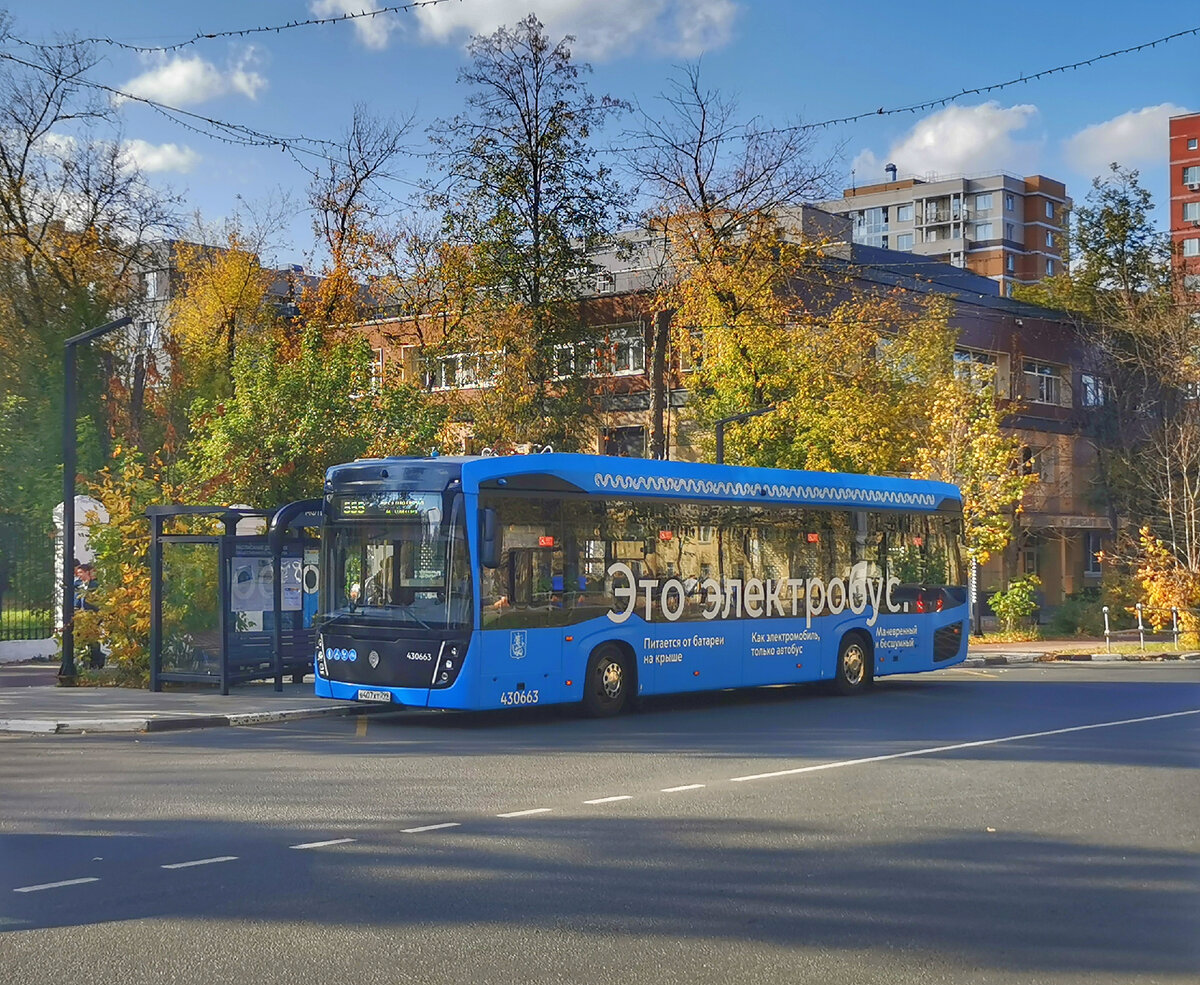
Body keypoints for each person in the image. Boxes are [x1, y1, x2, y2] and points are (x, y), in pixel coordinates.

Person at [74, 562, 104, 669]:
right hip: (81, 616)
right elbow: (76, 599)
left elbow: (99, 601)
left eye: (81, 572)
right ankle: (84, 660)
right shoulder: (77, 585)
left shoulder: (95, 585)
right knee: (81, 638)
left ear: (87, 572)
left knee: (93, 639)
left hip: (93, 616)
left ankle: (96, 661)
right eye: (78, 573)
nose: (79, 575)